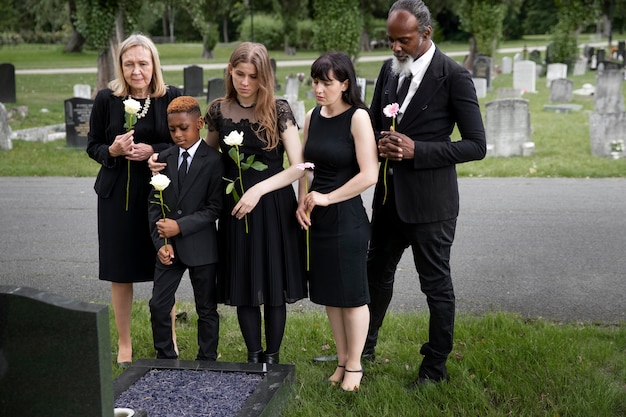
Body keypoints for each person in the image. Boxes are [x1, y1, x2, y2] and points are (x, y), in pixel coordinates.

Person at [149, 42, 307, 365]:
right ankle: (253, 357)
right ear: (230, 72)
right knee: (246, 282)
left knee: (273, 286)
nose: (245, 82)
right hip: (235, 208)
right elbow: (204, 160)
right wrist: (161, 161)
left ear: (264, 77)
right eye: (239, 74)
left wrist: (259, 191)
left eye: (252, 76)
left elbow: (299, 166)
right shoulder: (219, 110)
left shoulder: (279, 109)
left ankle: (272, 357)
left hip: (272, 204)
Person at [365, 0, 487, 387]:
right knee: (375, 276)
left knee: (435, 286)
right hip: (387, 199)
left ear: (426, 34)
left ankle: (435, 367)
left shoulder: (454, 76)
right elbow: (371, 122)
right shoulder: (388, 70)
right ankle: (362, 348)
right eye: (391, 41)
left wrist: (418, 150)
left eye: (404, 40)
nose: (396, 48)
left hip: (432, 205)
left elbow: (476, 145)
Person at [86, 33, 182, 367]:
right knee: (121, 271)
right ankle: (124, 342)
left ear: (154, 63)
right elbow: (93, 145)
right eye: (129, 64)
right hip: (116, 198)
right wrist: (112, 151)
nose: (136, 70)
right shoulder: (106, 99)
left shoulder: (172, 97)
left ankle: (167, 338)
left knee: (164, 265)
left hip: (159, 194)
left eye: (143, 63)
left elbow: (187, 142)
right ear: (121, 66)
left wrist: (153, 151)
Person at [296, 52, 378, 392]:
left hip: (347, 218)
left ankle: (356, 366)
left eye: (326, 83)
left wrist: (327, 197)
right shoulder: (314, 116)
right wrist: (303, 199)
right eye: (315, 82)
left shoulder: (358, 117)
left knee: (352, 296)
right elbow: (305, 165)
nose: (318, 89)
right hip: (319, 219)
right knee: (331, 294)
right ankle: (342, 359)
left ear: (345, 84)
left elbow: (370, 173)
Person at [148, 96, 223, 361]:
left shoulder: (214, 160)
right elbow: (154, 206)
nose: (178, 134)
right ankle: (166, 356)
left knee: (206, 307)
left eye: (184, 128)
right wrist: (161, 245)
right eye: (172, 129)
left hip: (201, 246)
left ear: (199, 123)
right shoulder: (163, 159)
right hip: (168, 247)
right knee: (158, 304)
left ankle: (207, 358)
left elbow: (215, 208)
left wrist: (179, 226)